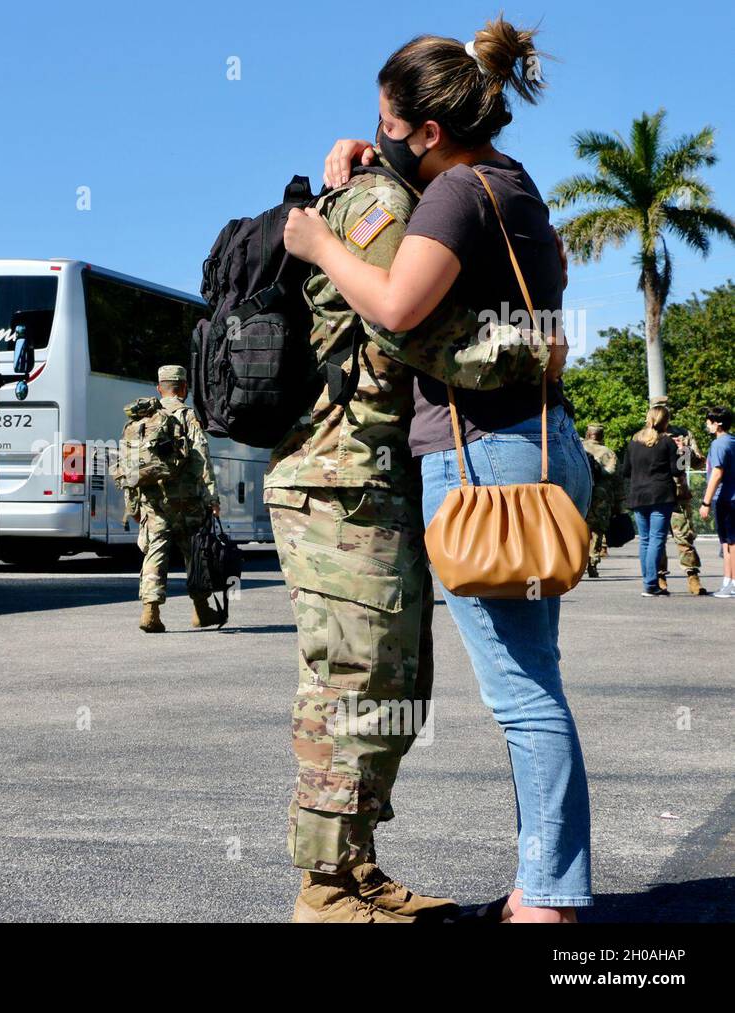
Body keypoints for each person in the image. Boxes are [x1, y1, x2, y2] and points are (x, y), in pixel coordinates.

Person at [284, 15, 594, 921]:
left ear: (427, 131)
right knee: (529, 681)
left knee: (524, 696)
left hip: (485, 463)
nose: (376, 131)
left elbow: (397, 305)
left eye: (388, 120)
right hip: (536, 448)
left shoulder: (454, 200)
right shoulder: (512, 182)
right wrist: (376, 165)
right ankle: (546, 890)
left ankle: (548, 900)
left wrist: (318, 242)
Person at [125, 365, 219, 633]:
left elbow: (131, 466)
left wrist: (131, 505)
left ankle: (150, 612)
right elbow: (201, 456)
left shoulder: (143, 418)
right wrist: (212, 497)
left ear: (159, 388)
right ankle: (201, 611)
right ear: (184, 388)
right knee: (195, 553)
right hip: (188, 500)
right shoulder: (187, 415)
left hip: (154, 501)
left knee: (155, 551)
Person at [622, 405, 683, 597]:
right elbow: (677, 470)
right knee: (657, 539)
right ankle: (651, 584)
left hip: (638, 495)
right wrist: (683, 452)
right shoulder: (667, 443)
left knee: (646, 540)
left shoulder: (633, 443)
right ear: (666, 422)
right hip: (661, 494)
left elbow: (625, 471)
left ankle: (648, 581)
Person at [652, 398, 707, 595]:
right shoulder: (646, 436)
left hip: (678, 493)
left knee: (684, 536)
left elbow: (698, 463)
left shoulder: (682, 434)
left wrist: (688, 452)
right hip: (655, 493)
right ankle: (659, 576)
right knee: (657, 538)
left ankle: (693, 576)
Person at [700, 406, 735, 597]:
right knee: (726, 543)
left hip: (726, 498)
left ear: (717, 424)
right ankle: (728, 581)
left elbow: (717, 473)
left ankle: (733, 584)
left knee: (732, 542)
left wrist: (705, 502)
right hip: (728, 498)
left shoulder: (719, 444)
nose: (707, 425)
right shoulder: (732, 442)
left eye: (709, 422)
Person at [582, 423, 620, 578]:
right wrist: (619, 502)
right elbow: (615, 477)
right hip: (601, 497)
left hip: (581, 494)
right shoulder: (608, 453)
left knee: (579, 528)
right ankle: (592, 562)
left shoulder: (579, 449)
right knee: (597, 530)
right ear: (601, 436)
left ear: (587, 434)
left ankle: (577, 561)